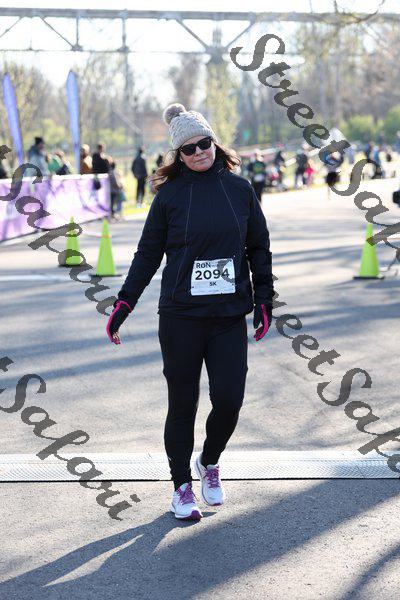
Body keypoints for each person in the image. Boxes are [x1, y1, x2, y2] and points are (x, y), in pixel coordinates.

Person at [106, 102, 275, 521]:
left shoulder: (240, 190)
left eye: (205, 144)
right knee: (183, 403)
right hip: (181, 316)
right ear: (178, 155)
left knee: (230, 400)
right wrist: (124, 303)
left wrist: (264, 299)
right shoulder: (169, 197)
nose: (199, 152)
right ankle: (181, 486)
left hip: (227, 315)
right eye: (189, 148)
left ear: (215, 143)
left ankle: (209, 461)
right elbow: (148, 254)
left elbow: (258, 248)